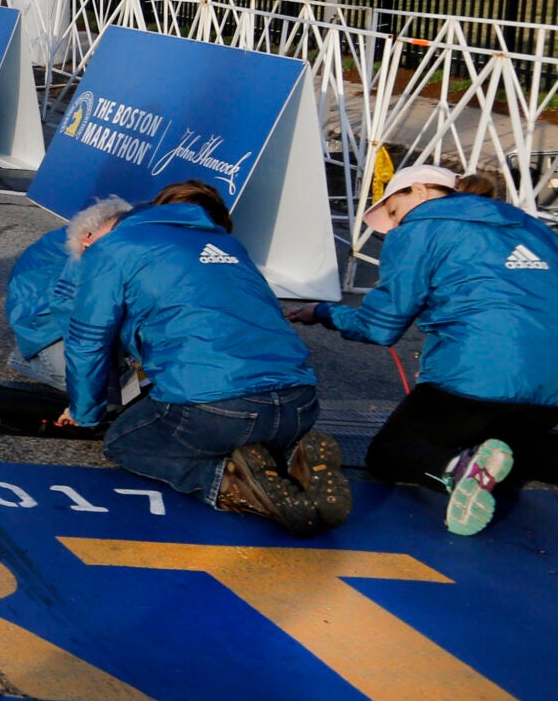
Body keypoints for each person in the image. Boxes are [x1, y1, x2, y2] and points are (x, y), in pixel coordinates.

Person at [294, 166, 558, 534]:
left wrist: (324, 312)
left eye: (393, 210)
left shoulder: (419, 229)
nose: (394, 222)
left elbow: (380, 326)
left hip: (480, 371)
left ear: (418, 191)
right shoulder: (534, 229)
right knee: (504, 446)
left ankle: (457, 472)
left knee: (391, 452)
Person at [64, 180, 348, 534]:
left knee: (126, 442)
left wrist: (84, 412)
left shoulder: (113, 249)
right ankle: (292, 455)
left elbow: (88, 341)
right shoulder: (229, 244)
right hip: (300, 403)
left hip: (218, 407)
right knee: (245, 424)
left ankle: (229, 484)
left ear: (96, 232)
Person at [5, 196, 133, 389]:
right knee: (93, 386)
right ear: (88, 241)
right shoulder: (74, 270)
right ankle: (23, 359)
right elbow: (84, 332)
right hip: (47, 327)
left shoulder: (100, 242)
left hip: (80, 316)